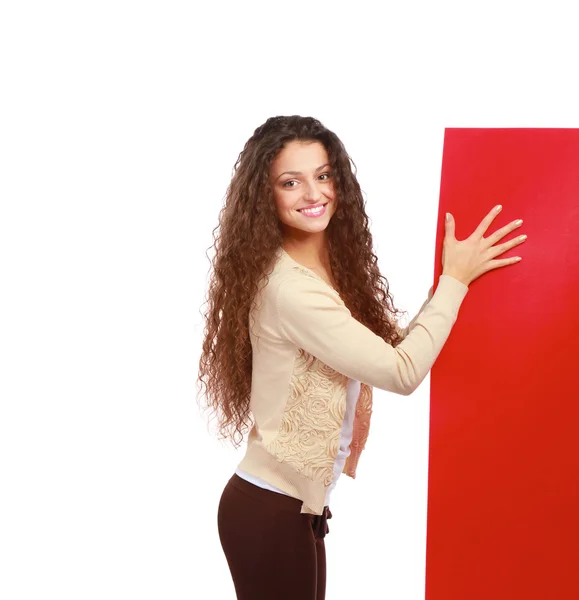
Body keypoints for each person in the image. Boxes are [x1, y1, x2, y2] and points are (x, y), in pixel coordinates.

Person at [196, 115, 527, 600]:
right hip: (269, 511)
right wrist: (454, 280)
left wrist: (455, 282)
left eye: (323, 175)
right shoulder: (291, 289)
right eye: (291, 182)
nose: (314, 193)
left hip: (295, 510)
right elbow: (401, 370)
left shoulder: (323, 269)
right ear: (264, 195)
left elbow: (392, 347)